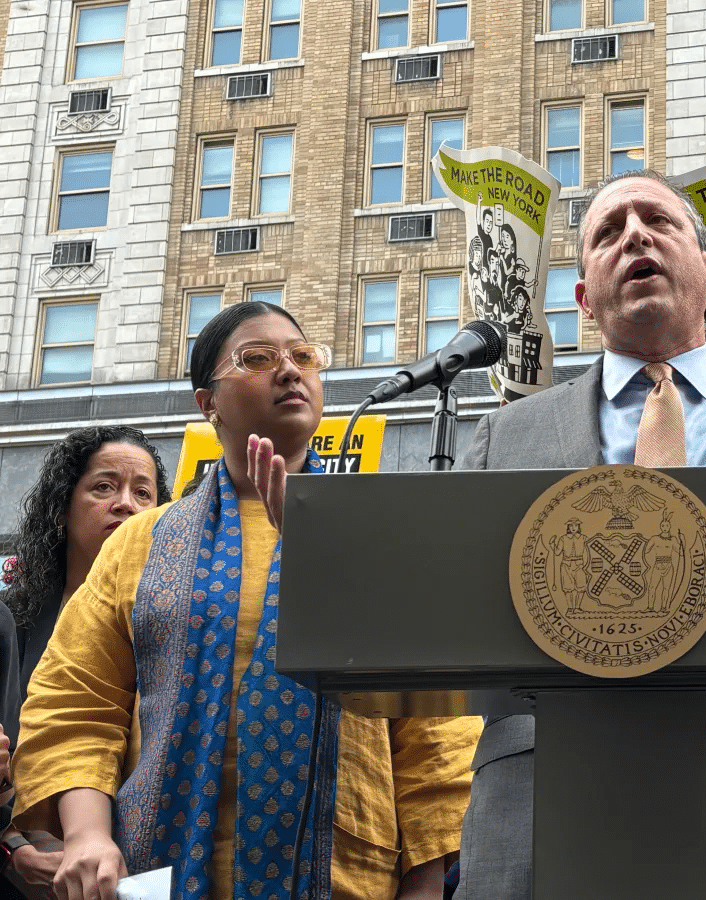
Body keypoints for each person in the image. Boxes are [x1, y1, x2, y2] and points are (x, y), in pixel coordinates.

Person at [12, 302, 482, 900]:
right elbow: (77, 702)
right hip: (156, 875)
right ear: (208, 402)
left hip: (348, 878)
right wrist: (85, 837)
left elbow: (434, 730)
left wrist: (424, 888)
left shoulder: (385, 535)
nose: (290, 370)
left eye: (303, 356)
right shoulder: (140, 544)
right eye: (258, 358)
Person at [453, 169, 706, 900]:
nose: (635, 235)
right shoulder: (505, 436)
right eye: (608, 231)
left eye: (658, 221)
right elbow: (456, 611)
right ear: (583, 300)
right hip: (543, 795)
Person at [1, 426, 171, 898]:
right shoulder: (10, 624)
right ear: (62, 509)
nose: (126, 504)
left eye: (144, 493)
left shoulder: (176, 629)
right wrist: (11, 845)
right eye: (104, 487)